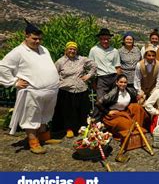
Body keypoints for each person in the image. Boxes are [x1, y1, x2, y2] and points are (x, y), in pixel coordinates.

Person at [0, 20, 61, 154]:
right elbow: (2, 67)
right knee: (31, 117)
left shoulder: (43, 49)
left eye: (40, 39)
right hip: (32, 91)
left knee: (45, 115)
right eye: (34, 38)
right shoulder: (18, 52)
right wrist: (14, 82)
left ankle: (44, 137)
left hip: (50, 91)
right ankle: (33, 142)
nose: (38, 41)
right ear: (26, 36)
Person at [52, 41, 97, 138]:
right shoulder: (60, 61)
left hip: (81, 88)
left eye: (74, 49)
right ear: (66, 50)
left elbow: (94, 66)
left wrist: (88, 75)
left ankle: (81, 128)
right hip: (66, 90)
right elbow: (53, 74)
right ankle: (69, 129)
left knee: (82, 110)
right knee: (67, 111)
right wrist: (59, 83)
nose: (72, 51)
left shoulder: (82, 59)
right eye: (70, 49)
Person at [95, 74, 148, 140]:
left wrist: (142, 96)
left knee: (137, 107)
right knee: (128, 126)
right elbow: (98, 103)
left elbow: (139, 95)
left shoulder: (129, 90)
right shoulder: (113, 93)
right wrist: (107, 112)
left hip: (124, 112)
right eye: (121, 82)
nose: (123, 84)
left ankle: (137, 129)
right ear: (117, 83)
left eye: (125, 82)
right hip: (114, 116)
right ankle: (131, 131)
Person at [88, 28, 121, 99]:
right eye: (103, 39)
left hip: (113, 77)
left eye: (107, 39)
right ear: (100, 39)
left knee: (114, 99)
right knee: (101, 100)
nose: (106, 41)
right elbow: (90, 67)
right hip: (101, 78)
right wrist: (93, 82)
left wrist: (119, 79)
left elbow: (117, 67)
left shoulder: (114, 51)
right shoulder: (93, 50)